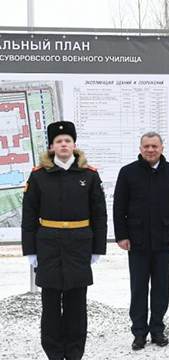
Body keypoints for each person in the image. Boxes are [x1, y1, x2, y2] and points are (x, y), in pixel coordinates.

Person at [21, 120, 107, 360]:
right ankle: (54, 353)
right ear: (51, 147)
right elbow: (29, 215)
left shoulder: (89, 175)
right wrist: (31, 251)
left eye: (68, 140)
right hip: (47, 244)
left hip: (79, 244)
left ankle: (74, 352)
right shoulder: (39, 176)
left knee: (76, 303)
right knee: (49, 302)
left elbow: (99, 213)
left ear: (74, 144)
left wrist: (97, 248)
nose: (64, 144)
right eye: (59, 141)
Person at [113, 132, 169, 350]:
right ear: (140, 148)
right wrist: (122, 236)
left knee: (161, 288)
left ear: (161, 148)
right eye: (146, 146)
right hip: (137, 241)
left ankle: (157, 329)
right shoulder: (128, 173)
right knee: (138, 288)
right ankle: (139, 332)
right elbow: (119, 207)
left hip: (165, 240)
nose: (150, 150)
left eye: (154, 146)